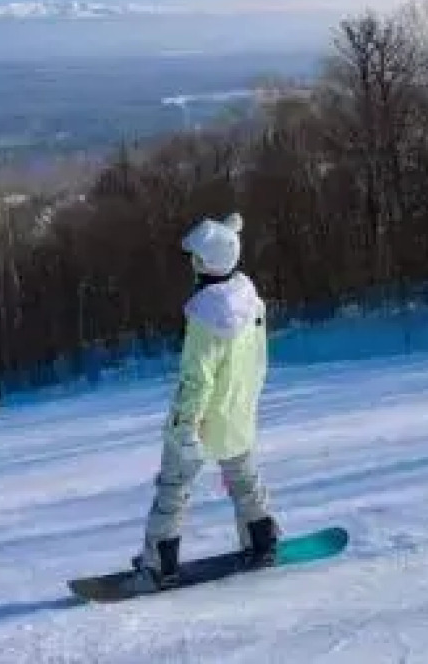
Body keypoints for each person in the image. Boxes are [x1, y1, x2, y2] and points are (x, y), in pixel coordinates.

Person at [132, 212, 281, 588]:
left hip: (200, 419)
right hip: (237, 409)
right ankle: (262, 539)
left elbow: (196, 377)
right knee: (244, 478)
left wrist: (184, 423)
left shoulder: (206, 316)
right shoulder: (249, 300)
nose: (192, 267)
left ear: (205, 264)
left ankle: (159, 562)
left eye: (195, 259)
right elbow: (256, 359)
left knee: (174, 487)